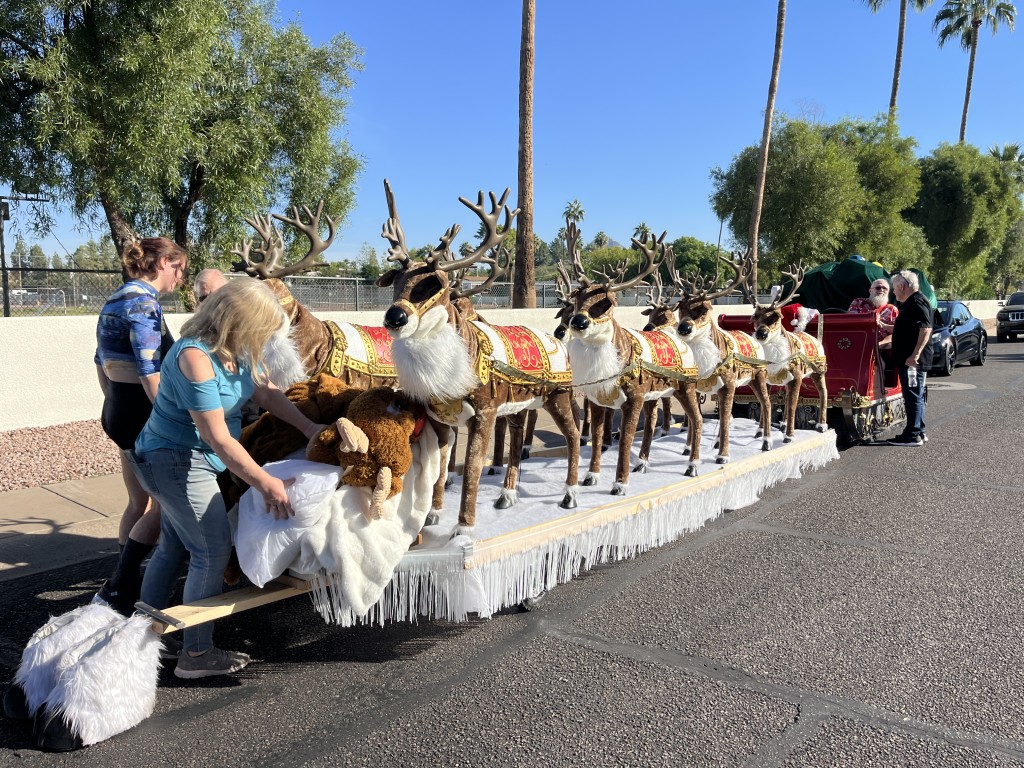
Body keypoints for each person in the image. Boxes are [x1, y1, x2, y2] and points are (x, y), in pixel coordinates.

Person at [131, 279, 326, 679]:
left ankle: (147, 639)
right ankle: (195, 656)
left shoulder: (239, 349)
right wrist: (264, 482)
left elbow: (268, 393)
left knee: (172, 547)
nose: (267, 338)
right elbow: (217, 437)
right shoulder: (194, 358)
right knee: (210, 553)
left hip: (187, 460)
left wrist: (308, 427)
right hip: (175, 462)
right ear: (239, 321)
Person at [93, 237, 187, 614]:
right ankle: (120, 586)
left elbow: (100, 362)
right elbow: (151, 374)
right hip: (144, 417)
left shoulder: (116, 298)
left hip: (120, 409)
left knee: (139, 502)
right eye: (179, 269)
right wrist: (177, 419)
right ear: (163, 262)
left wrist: (114, 405)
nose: (180, 278)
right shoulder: (144, 304)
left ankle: (122, 580)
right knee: (168, 506)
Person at [887, 270, 933, 447]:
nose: (893, 292)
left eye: (894, 288)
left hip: (912, 361)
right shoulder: (911, 303)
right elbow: (907, 329)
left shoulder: (917, 302)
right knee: (916, 394)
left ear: (901, 286)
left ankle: (913, 434)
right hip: (909, 359)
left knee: (913, 395)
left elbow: (926, 329)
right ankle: (919, 431)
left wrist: (915, 355)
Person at [848, 279, 899, 348]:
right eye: (878, 288)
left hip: (881, 349)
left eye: (885, 288)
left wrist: (881, 344)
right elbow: (849, 323)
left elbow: (897, 332)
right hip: (857, 344)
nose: (881, 290)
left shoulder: (892, 309)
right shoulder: (858, 302)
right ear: (870, 291)